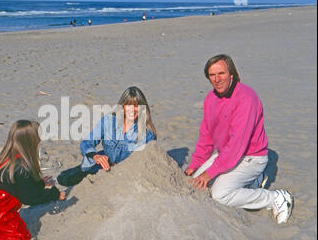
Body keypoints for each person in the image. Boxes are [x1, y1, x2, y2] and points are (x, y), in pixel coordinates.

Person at [184, 54, 293, 224]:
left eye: (221, 74)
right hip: (225, 155)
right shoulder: (210, 99)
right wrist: (194, 166)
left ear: (232, 74)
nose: (217, 79)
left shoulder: (246, 98)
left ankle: (275, 198)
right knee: (196, 186)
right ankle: (252, 183)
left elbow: (236, 145)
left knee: (220, 195)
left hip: (251, 157)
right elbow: (206, 138)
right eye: (212, 75)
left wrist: (210, 172)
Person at [57, 86, 157, 187]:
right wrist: (96, 156)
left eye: (136, 106)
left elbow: (143, 163)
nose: (132, 110)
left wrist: (120, 167)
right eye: (128, 105)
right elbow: (87, 142)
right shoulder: (109, 121)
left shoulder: (148, 135)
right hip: (102, 162)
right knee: (63, 179)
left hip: (124, 172)